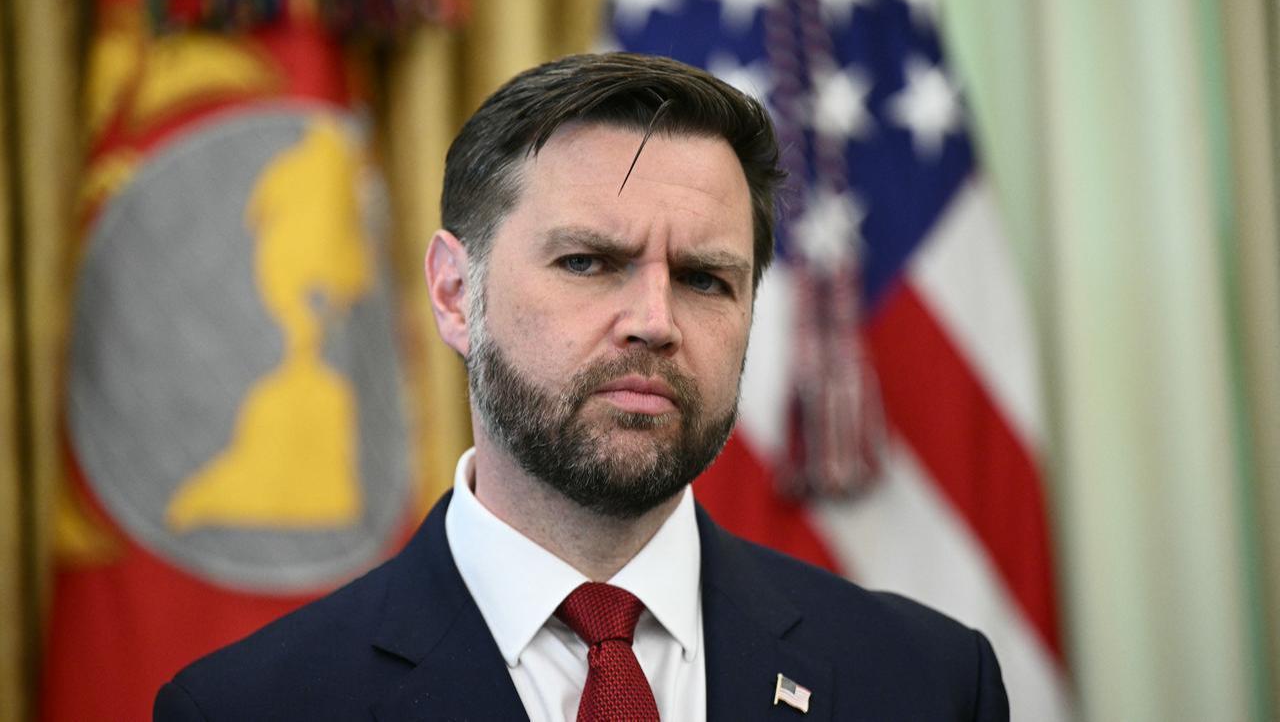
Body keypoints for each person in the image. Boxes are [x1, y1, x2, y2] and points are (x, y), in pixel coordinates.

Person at [154, 52, 1008, 721]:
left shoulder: (928, 684)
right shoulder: (250, 708)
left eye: (705, 278)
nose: (655, 320)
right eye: (589, 262)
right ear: (453, 292)